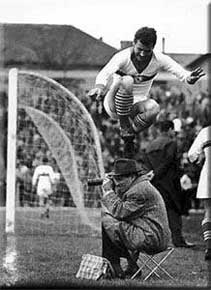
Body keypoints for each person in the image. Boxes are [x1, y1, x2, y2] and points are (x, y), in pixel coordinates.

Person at [88, 27, 205, 139]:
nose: (143, 54)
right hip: (114, 104)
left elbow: (179, 71)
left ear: (153, 47)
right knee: (128, 80)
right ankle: (124, 126)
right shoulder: (122, 57)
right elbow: (105, 72)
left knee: (154, 108)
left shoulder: (159, 59)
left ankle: (130, 134)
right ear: (133, 43)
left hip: (136, 105)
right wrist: (99, 87)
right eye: (140, 49)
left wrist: (189, 78)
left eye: (147, 51)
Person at [101, 158, 170, 278]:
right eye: (115, 179)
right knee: (112, 222)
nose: (117, 183)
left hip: (151, 239)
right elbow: (124, 211)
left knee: (106, 220)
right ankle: (128, 265)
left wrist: (108, 191)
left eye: (120, 179)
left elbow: (120, 212)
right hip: (154, 235)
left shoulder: (138, 191)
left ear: (132, 177)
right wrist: (115, 190)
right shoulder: (140, 185)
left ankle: (114, 266)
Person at [144, 120, 195, 247]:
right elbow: (169, 161)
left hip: (155, 183)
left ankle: (156, 241)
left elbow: (146, 163)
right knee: (174, 212)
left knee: (158, 212)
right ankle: (178, 240)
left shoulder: (150, 145)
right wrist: (157, 173)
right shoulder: (171, 143)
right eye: (173, 130)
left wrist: (153, 174)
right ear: (170, 129)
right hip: (170, 183)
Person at [188, 106, 211, 260]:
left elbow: (191, 155)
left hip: (208, 173)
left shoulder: (205, 131)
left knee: (209, 211)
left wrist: (199, 159)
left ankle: (209, 247)